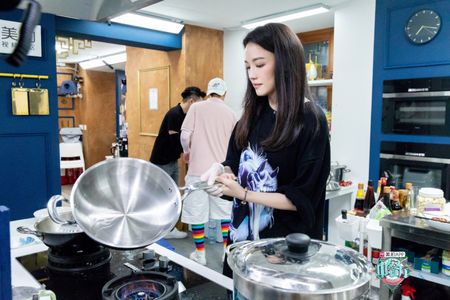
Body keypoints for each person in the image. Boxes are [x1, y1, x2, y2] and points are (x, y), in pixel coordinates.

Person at [201, 23, 330, 276]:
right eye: (248, 66)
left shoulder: (309, 119)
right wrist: (223, 174)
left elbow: (302, 199)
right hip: (242, 244)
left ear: (285, 63)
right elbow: (233, 163)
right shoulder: (251, 116)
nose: (252, 74)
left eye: (260, 65)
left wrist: (245, 193)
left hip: (284, 253)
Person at [180, 77, 237, 265]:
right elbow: (235, 146)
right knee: (224, 213)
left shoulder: (196, 107)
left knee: (197, 213)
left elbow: (184, 135)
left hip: (197, 171)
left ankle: (200, 254)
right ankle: (226, 252)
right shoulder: (231, 114)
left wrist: (187, 153)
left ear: (208, 91)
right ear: (225, 94)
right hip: (221, 172)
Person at [150, 86, 205, 239]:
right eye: (199, 104)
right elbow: (177, 141)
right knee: (161, 196)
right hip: (162, 162)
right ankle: (158, 229)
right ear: (192, 101)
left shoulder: (185, 115)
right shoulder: (174, 114)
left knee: (172, 196)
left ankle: (168, 228)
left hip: (172, 161)